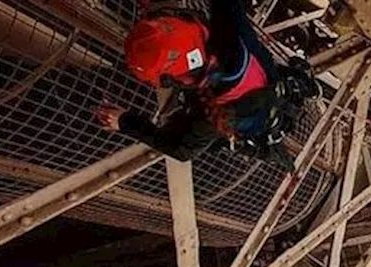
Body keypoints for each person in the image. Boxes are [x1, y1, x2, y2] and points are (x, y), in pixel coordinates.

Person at [95, 0, 320, 164]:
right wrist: (124, 121)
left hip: (253, 109)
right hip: (265, 82)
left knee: (200, 133)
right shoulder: (229, 29)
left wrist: (126, 122)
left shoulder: (215, 114)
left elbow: (181, 150)